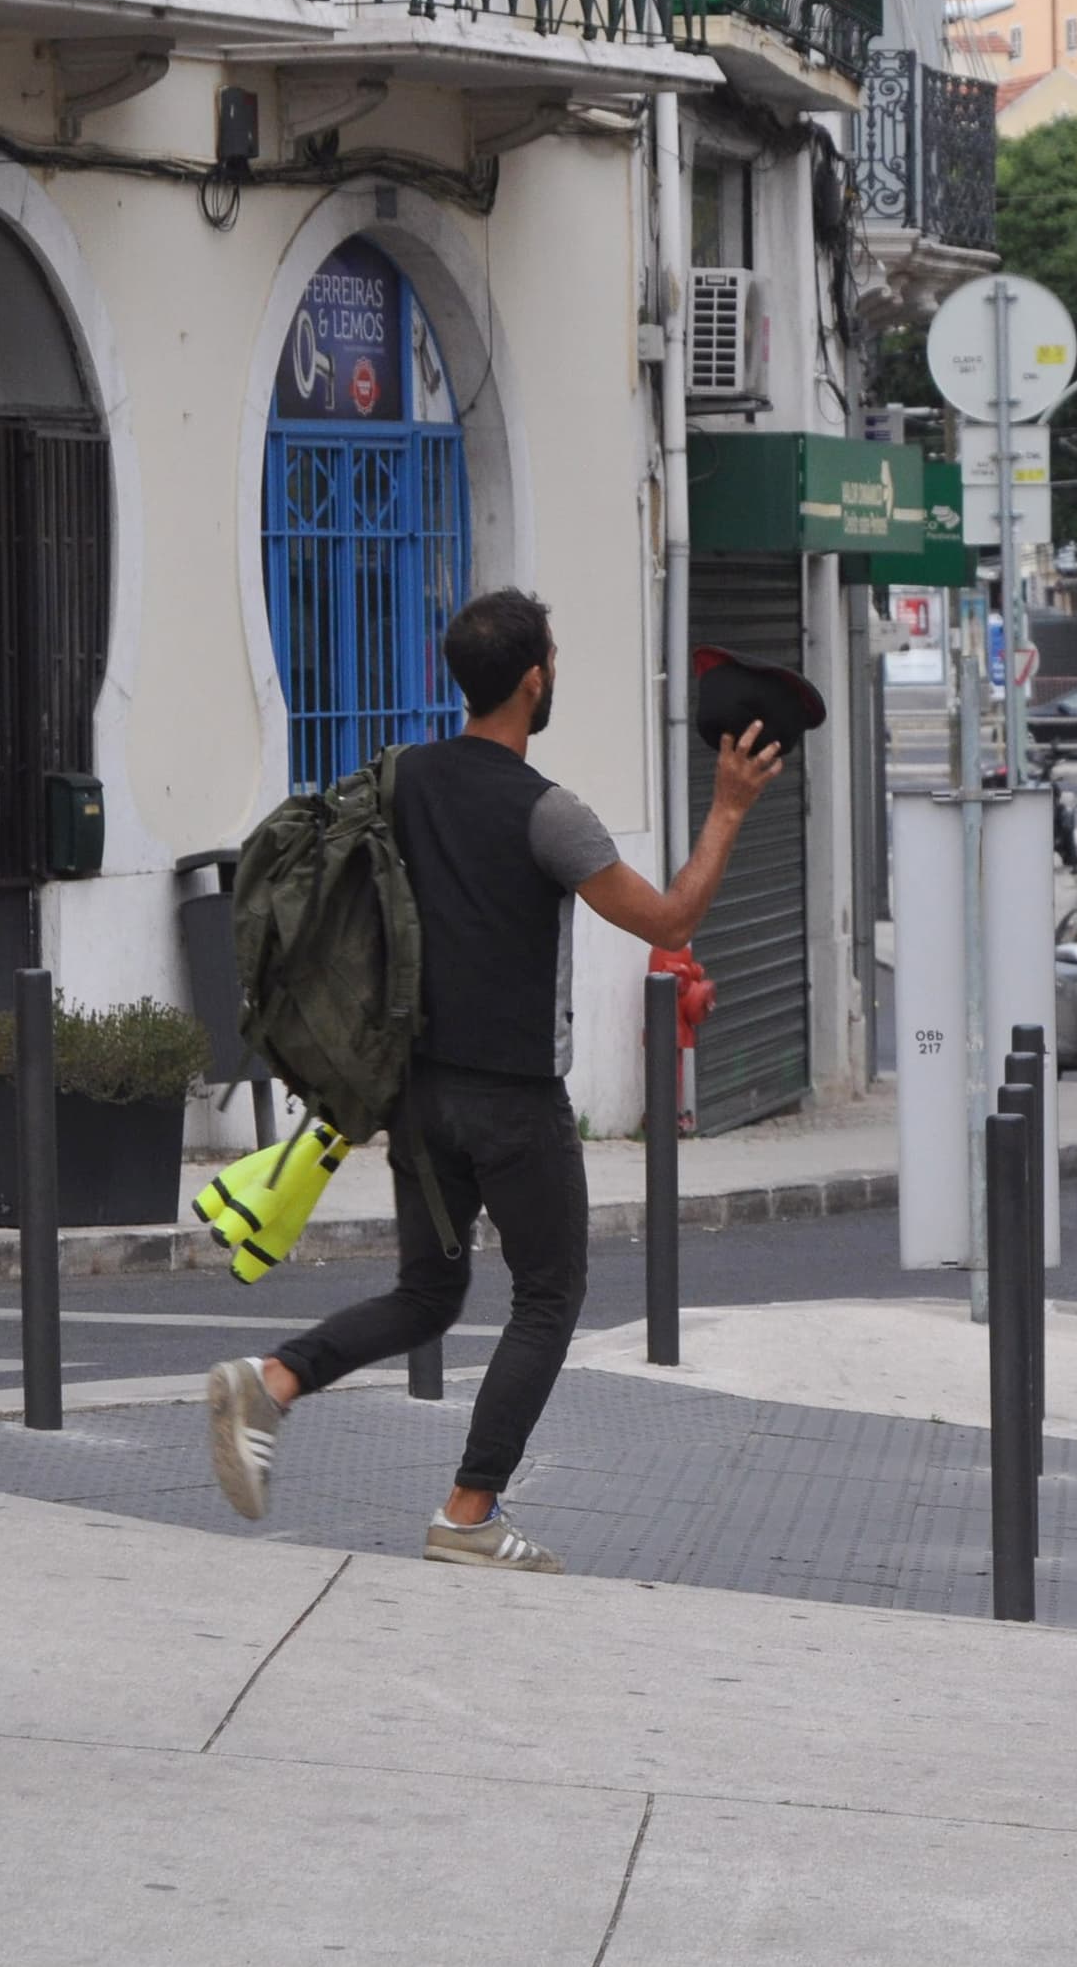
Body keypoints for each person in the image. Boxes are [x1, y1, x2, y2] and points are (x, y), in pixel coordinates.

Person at [204, 588, 783, 1573]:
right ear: (533, 680)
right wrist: (728, 808)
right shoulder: (548, 814)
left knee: (429, 1294)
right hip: (512, 1100)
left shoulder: (403, 780)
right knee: (549, 1298)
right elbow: (671, 922)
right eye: (550, 657)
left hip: (416, 1095)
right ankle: (468, 1512)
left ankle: (273, 1380)